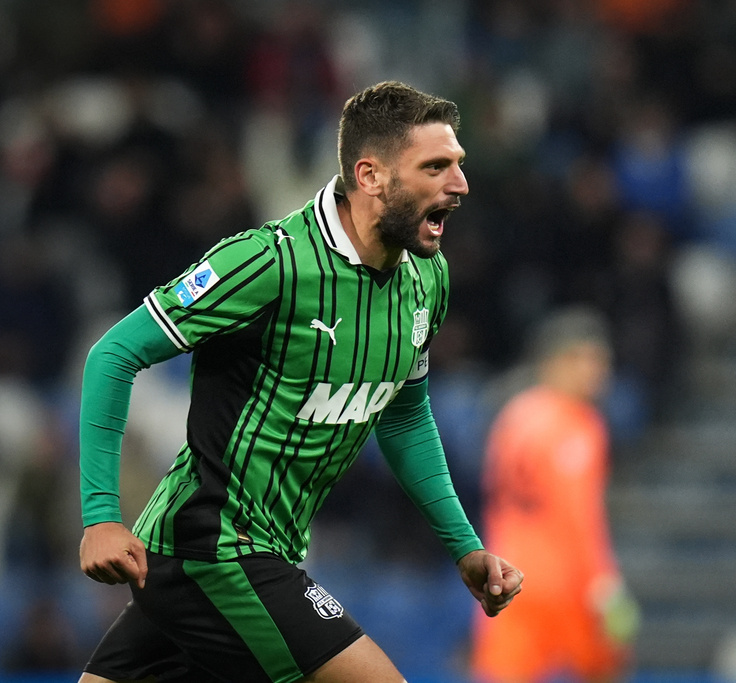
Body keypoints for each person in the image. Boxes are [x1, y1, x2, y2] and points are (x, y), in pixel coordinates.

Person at [77, 80, 524, 683]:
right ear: (370, 176)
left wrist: (465, 547)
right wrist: (101, 516)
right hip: (215, 546)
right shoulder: (270, 262)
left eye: (459, 166)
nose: (460, 185)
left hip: (239, 557)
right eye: (435, 167)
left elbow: (403, 413)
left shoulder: (427, 278)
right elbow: (113, 354)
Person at [471, 307, 639, 683]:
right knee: (606, 670)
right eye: (586, 360)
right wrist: (605, 584)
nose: (599, 372)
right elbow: (577, 512)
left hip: (505, 579)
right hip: (565, 581)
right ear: (556, 362)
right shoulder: (576, 424)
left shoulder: (513, 415)